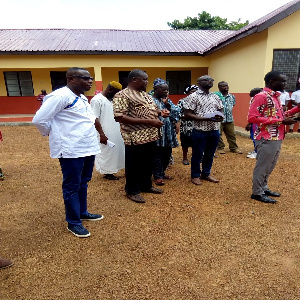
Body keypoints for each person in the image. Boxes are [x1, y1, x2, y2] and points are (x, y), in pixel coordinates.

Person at [32, 67, 107, 238]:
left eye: (91, 78)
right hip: (71, 149)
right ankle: (73, 222)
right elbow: (39, 119)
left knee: (83, 181)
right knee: (72, 185)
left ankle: (82, 212)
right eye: (85, 78)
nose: (90, 81)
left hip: (87, 147)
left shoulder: (80, 97)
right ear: (71, 79)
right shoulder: (60, 96)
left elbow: (88, 119)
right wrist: (53, 132)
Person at [113, 69, 168, 203]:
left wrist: (161, 113)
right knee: (134, 165)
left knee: (148, 163)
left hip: (151, 135)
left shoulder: (145, 95)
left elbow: (152, 110)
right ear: (134, 80)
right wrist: (149, 121)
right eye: (144, 79)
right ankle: (132, 191)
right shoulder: (122, 95)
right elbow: (120, 117)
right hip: (135, 137)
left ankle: (146, 185)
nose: (147, 82)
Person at [248, 70, 299, 204]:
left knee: (270, 165)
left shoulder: (275, 97)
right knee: (262, 166)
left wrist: (297, 109)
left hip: (277, 136)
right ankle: (257, 193)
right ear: (272, 82)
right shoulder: (261, 96)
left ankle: (263, 188)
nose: (285, 83)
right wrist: (280, 122)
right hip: (266, 137)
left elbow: (281, 115)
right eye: (282, 81)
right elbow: (252, 117)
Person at [183, 75, 224, 186]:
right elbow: (187, 114)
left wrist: (221, 116)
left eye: (211, 80)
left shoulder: (215, 96)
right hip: (200, 131)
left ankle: (206, 173)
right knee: (197, 154)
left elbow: (221, 109)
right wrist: (206, 118)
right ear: (198, 82)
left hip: (214, 130)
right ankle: (195, 175)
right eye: (206, 80)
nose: (209, 81)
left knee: (210, 154)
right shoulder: (193, 96)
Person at [90, 81, 125, 180]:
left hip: (114, 130)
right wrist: (102, 134)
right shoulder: (97, 100)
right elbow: (94, 118)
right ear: (110, 89)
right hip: (104, 131)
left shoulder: (111, 100)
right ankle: (107, 173)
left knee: (116, 151)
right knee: (106, 152)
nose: (116, 95)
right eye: (116, 93)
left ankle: (113, 170)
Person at [150, 78, 180, 186]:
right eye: (163, 90)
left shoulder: (167, 100)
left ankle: (162, 172)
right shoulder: (149, 99)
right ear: (155, 89)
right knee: (157, 154)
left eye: (167, 90)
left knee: (167, 153)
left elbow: (177, 112)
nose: (166, 92)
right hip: (155, 132)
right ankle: (157, 176)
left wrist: (168, 105)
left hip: (168, 132)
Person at [215, 81, 242, 154]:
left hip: (229, 119)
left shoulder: (232, 96)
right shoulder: (216, 96)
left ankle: (233, 148)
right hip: (219, 119)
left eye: (226, 86)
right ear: (219, 87)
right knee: (218, 134)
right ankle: (220, 147)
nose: (225, 87)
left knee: (231, 134)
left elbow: (233, 105)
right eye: (223, 86)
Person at [177, 85, 198, 165]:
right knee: (185, 142)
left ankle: (194, 156)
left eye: (196, 91)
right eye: (192, 91)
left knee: (196, 142)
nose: (195, 93)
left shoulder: (199, 101)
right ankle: (185, 157)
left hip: (197, 125)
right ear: (187, 92)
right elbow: (178, 113)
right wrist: (187, 116)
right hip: (186, 126)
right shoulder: (182, 101)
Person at [245, 88, 263, 159]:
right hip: (254, 121)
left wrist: (250, 123)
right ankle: (256, 150)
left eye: (251, 92)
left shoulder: (257, 100)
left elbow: (254, 113)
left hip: (256, 121)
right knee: (253, 136)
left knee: (255, 137)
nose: (249, 93)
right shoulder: (253, 99)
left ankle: (257, 152)